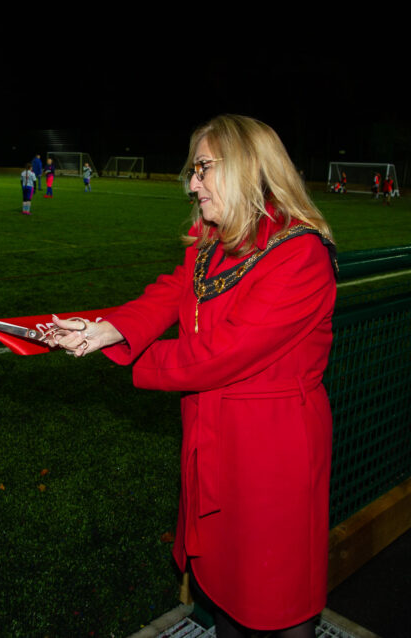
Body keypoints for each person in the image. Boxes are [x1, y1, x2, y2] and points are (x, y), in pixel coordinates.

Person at [48, 115, 337, 638]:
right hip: (214, 442)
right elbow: (169, 293)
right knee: (223, 592)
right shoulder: (214, 242)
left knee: (275, 601)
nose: (193, 183)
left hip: (272, 456)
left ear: (248, 167)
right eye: (193, 170)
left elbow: (223, 352)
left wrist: (135, 359)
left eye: (203, 168)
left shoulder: (300, 253)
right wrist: (109, 328)